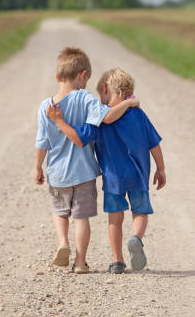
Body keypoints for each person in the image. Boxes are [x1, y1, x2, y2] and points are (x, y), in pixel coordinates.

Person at [46, 68, 166, 274]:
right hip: (139, 175)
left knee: (115, 219)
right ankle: (136, 238)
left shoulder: (98, 119)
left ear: (104, 89)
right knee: (140, 212)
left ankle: (117, 261)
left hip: (113, 179)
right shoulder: (138, 114)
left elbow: (78, 138)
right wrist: (161, 169)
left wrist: (59, 122)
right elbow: (153, 143)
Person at [35, 49, 138, 274]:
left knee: (60, 211)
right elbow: (108, 116)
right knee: (81, 218)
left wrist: (37, 167)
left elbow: (42, 142)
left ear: (57, 77)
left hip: (57, 173)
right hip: (83, 173)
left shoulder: (46, 107)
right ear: (83, 75)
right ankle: (80, 262)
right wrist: (129, 103)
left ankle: (63, 242)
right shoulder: (85, 99)